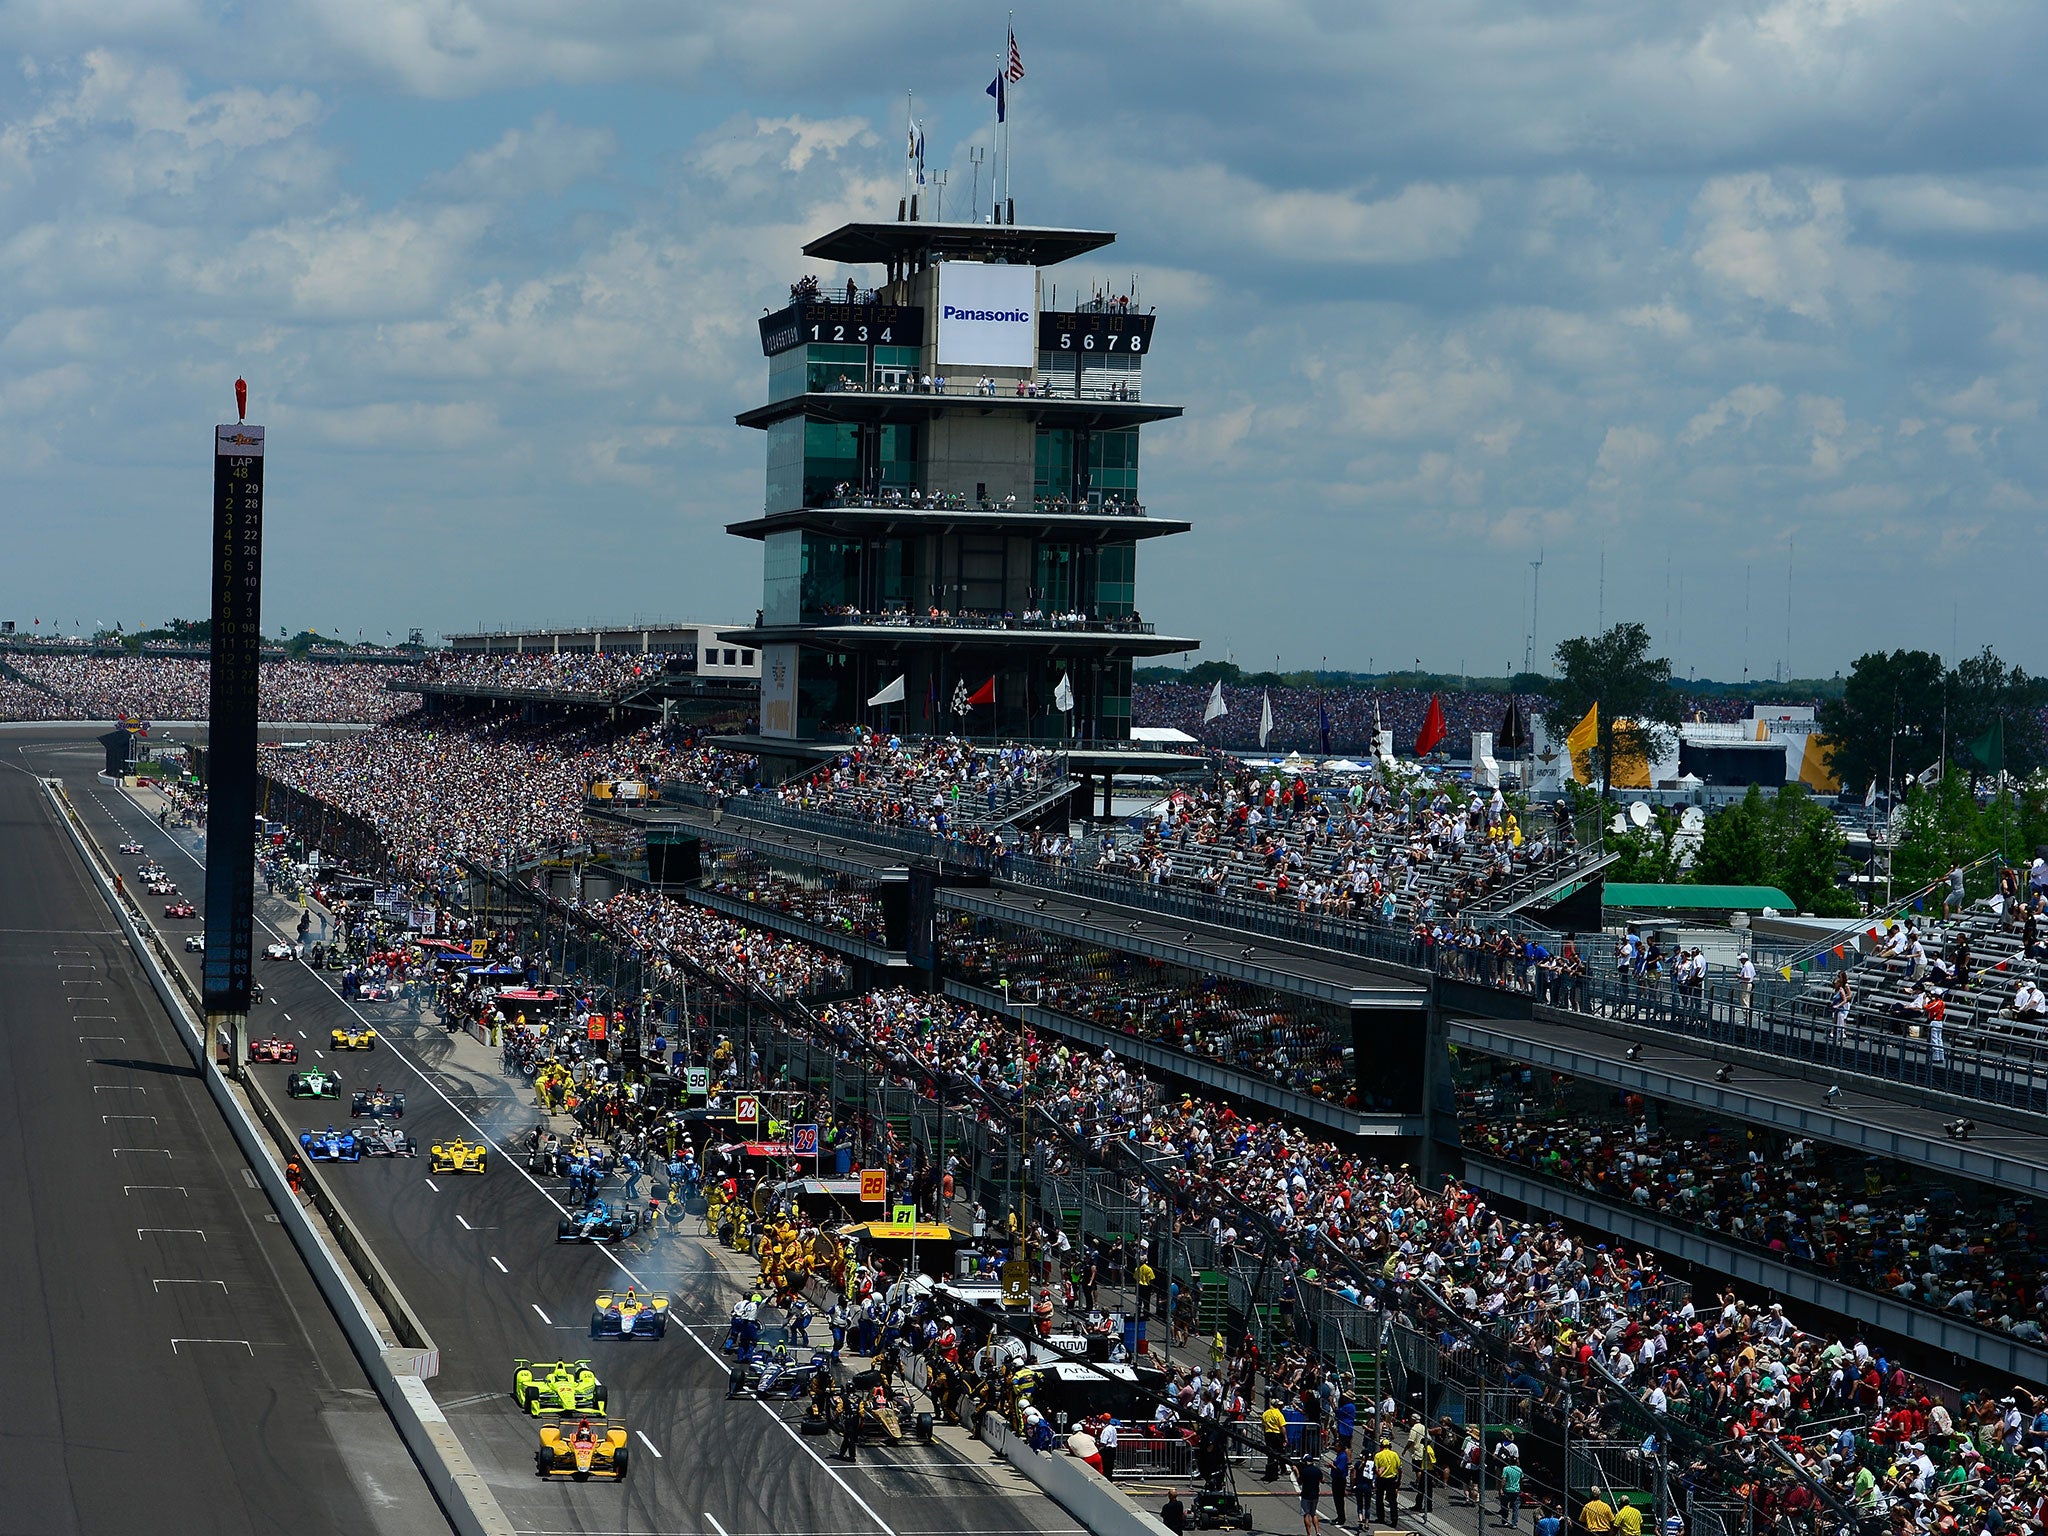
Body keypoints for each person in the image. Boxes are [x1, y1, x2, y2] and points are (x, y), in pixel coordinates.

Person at [1373, 1437, 1403, 1526]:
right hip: (1392, 1480)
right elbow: (1400, 1469)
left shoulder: (1378, 1455)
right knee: (1393, 1501)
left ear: (1381, 1446)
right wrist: (1399, 1480)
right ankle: (1394, 1520)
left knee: (1379, 1499)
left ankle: (1381, 1518)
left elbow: (1376, 1470)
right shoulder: (1395, 1455)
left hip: (1381, 1480)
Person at [1264, 1399, 1290, 1481]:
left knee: (1270, 1452)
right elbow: (1282, 1427)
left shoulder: (1265, 1413)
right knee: (1280, 1452)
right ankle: (1283, 1469)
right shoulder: (1278, 1414)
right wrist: (1285, 1438)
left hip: (1268, 1434)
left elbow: (1263, 1425)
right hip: (1277, 1434)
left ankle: (1270, 1469)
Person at [1300, 1455, 1324, 1536]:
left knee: (1306, 1514)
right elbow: (1323, 1480)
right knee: (1313, 1513)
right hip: (1315, 1495)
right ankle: (1317, 1532)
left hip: (1306, 1495)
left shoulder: (1304, 1471)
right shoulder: (1317, 1470)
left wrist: (1296, 1471)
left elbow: (1299, 1481)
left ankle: (1309, 1534)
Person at [1498, 1458, 1523, 1528]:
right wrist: (1521, 1488)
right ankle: (1514, 1523)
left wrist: (1501, 1489)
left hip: (1507, 1490)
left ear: (1509, 1461)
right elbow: (1521, 1480)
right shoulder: (1519, 1469)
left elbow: (1504, 1479)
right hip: (1516, 1490)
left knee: (1504, 1506)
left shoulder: (1506, 1469)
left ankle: (1504, 1521)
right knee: (1516, 1507)